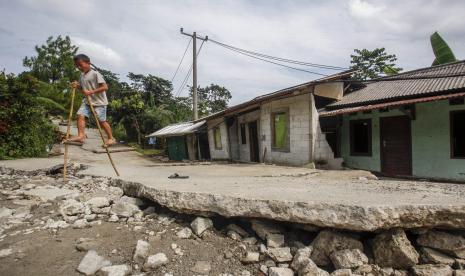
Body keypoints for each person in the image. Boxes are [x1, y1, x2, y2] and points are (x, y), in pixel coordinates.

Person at [66, 54, 116, 147]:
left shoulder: (95, 74)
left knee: (101, 121)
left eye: (80, 65)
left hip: (99, 102)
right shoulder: (82, 75)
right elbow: (83, 90)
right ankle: (81, 136)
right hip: (88, 101)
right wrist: (77, 86)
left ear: (88, 63)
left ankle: (111, 138)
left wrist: (91, 92)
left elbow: (105, 87)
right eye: (77, 66)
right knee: (80, 115)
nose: (79, 67)